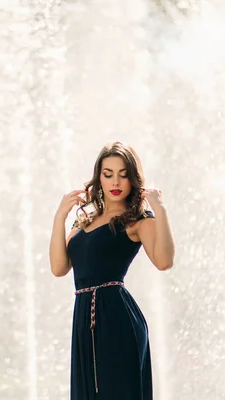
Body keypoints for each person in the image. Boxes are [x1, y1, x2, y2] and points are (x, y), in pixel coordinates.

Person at [49, 141, 175, 399]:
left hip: (116, 318)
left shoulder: (138, 220)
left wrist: (160, 210)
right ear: (99, 178)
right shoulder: (84, 219)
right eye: (108, 175)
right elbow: (59, 268)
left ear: (133, 179)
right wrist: (59, 216)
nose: (115, 182)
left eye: (123, 174)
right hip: (84, 317)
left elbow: (164, 261)